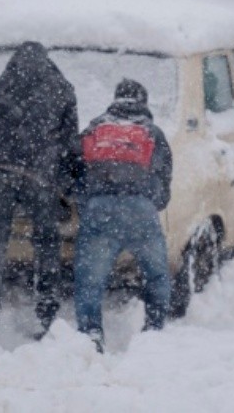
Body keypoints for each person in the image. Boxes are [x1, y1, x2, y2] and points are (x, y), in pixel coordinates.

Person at [0, 42, 79, 349]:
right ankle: (47, 317)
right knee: (47, 245)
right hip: (38, 176)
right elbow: (70, 143)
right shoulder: (62, 87)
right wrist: (65, 182)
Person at [73, 79, 173, 353]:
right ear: (143, 102)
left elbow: (75, 171)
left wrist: (88, 202)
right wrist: (148, 203)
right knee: (157, 275)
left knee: (90, 281)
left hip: (99, 209)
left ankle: (91, 335)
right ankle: (154, 330)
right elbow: (164, 184)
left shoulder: (95, 127)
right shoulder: (152, 132)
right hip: (141, 209)